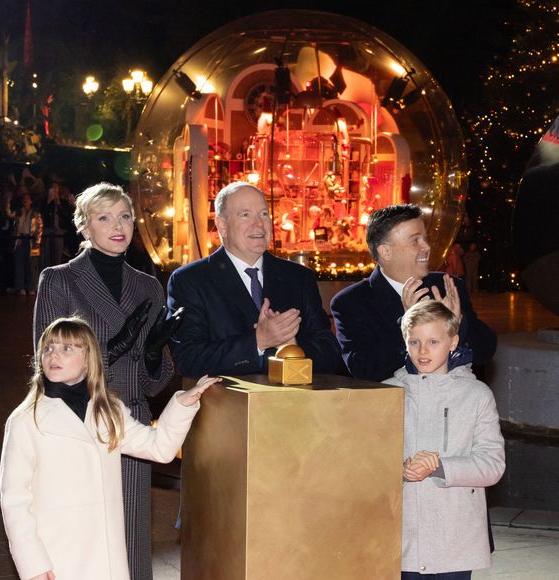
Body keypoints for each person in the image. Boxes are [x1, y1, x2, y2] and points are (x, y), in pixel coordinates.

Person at [0, 317, 219, 580]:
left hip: (106, 558)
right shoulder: (26, 419)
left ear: (89, 359)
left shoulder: (108, 410)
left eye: (67, 348)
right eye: (48, 348)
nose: (54, 354)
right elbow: (14, 500)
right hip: (57, 556)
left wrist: (183, 403)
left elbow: (159, 448)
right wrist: (33, 564)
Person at [33, 182, 177, 580]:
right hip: (76, 426)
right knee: (81, 538)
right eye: (104, 217)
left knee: (129, 541)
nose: (118, 226)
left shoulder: (148, 286)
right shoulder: (59, 280)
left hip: (128, 424)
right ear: (84, 227)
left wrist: (151, 355)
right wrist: (112, 348)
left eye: (125, 216)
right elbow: (47, 369)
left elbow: (153, 384)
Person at [382, 301, 505, 578]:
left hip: (455, 537)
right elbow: (364, 460)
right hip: (400, 536)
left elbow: (493, 464)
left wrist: (439, 467)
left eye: (433, 341)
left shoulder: (476, 395)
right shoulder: (387, 393)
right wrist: (397, 469)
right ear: (405, 342)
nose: (423, 351)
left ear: (453, 342)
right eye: (414, 342)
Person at [167, 181, 341, 377]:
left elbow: (330, 353)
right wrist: (258, 341)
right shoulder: (191, 280)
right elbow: (188, 359)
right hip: (227, 404)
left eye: (264, 214)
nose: (259, 224)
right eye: (245, 215)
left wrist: (292, 348)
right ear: (222, 226)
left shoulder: (298, 277)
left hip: (296, 403)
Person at [331, 204, 496, 382]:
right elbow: (365, 369)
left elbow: (485, 351)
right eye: (415, 241)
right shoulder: (352, 302)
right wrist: (407, 324)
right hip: (395, 406)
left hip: (451, 404)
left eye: (425, 239)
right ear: (385, 252)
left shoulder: (447, 286)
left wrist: (456, 323)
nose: (426, 247)